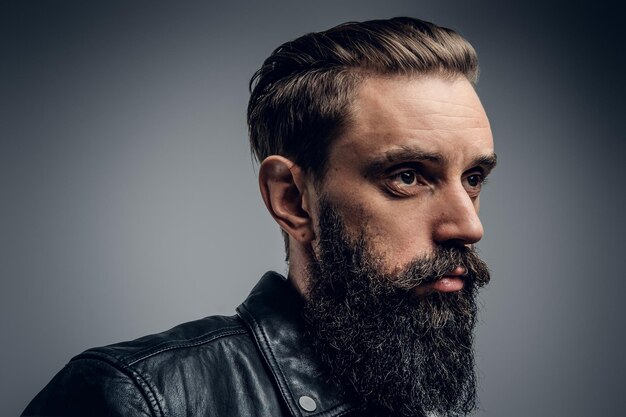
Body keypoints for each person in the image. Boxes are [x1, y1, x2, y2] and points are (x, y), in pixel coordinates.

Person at [22, 16, 496, 417]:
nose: (469, 226)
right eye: (409, 176)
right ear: (292, 199)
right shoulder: (138, 398)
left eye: (473, 177)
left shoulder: (405, 390)